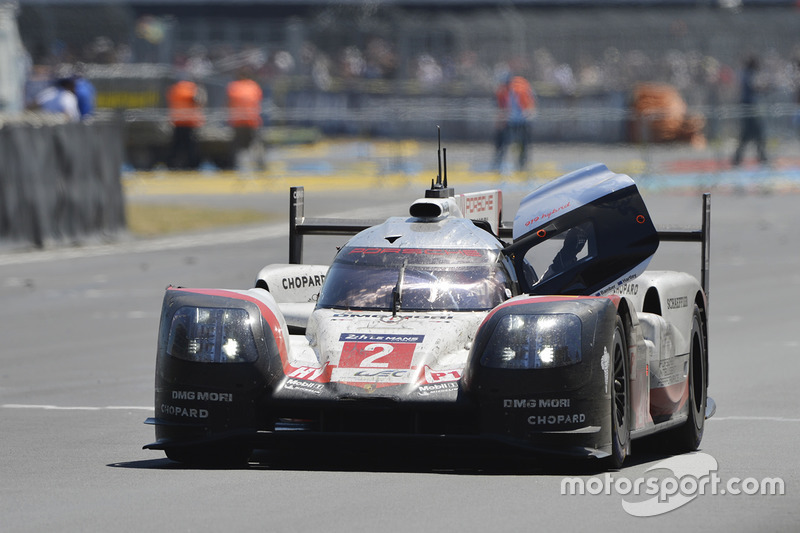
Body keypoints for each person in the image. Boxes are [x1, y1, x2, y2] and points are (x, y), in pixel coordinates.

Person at [493, 72, 536, 172]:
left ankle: (522, 165)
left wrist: (528, 115)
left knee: (522, 144)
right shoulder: (502, 92)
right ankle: (498, 164)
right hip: (509, 121)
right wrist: (501, 120)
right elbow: (501, 107)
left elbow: (529, 106)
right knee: (501, 143)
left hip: (522, 121)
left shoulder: (519, 90)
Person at [731, 56, 768, 167]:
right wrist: (765, 88)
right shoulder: (748, 74)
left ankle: (760, 158)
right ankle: (761, 158)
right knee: (753, 134)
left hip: (750, 108)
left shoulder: (745, 74)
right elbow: (755, 87)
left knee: (750, 135)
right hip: (749, 108)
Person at [226, 69, 264, 170]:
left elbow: (228, 102)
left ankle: (235, 165)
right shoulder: (254, 86)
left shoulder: (233, 87)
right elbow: (258, 101)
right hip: (251, 119)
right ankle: (259, 165)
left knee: (238, 145)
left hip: (239, 121)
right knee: (254, 143)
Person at [166, 76, 206, 170]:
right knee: (190, 147)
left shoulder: (175, 89)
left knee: (176, 146)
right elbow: (198, 101)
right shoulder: (191, 89)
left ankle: (172, 165)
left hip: (177, 121)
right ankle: (192, 166)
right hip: (189, 122)